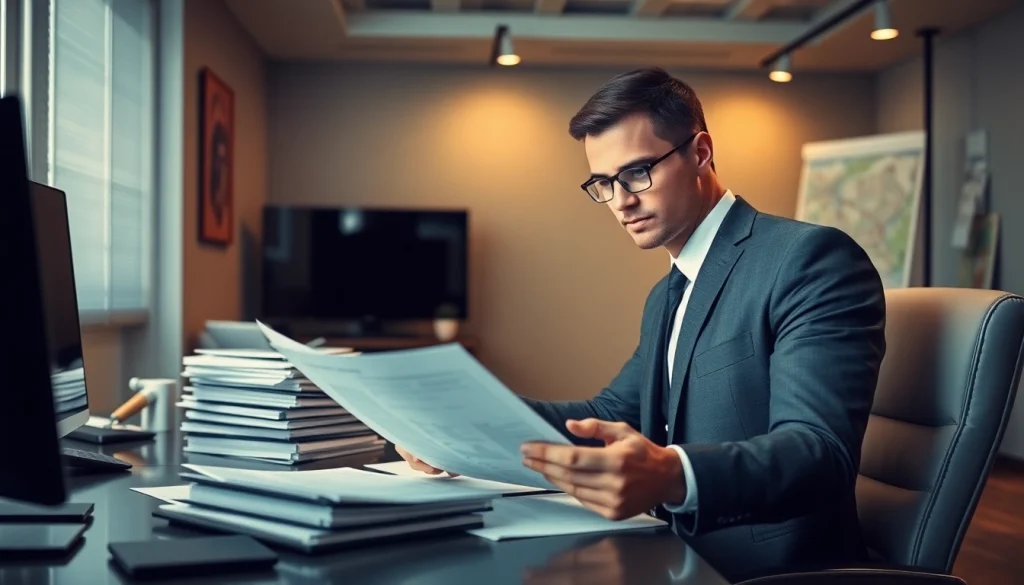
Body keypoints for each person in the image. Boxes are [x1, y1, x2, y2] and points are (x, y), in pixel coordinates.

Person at [397, 67, 886, 582]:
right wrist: (462, 423)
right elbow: (609, 415)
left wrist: (671, 474)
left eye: (637, 172)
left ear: (700, 152)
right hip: (671, 556)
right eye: (604, 184)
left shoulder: (808, 259)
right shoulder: (668, 293)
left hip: (767, 570)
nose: (621, 202)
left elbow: (819, 453)